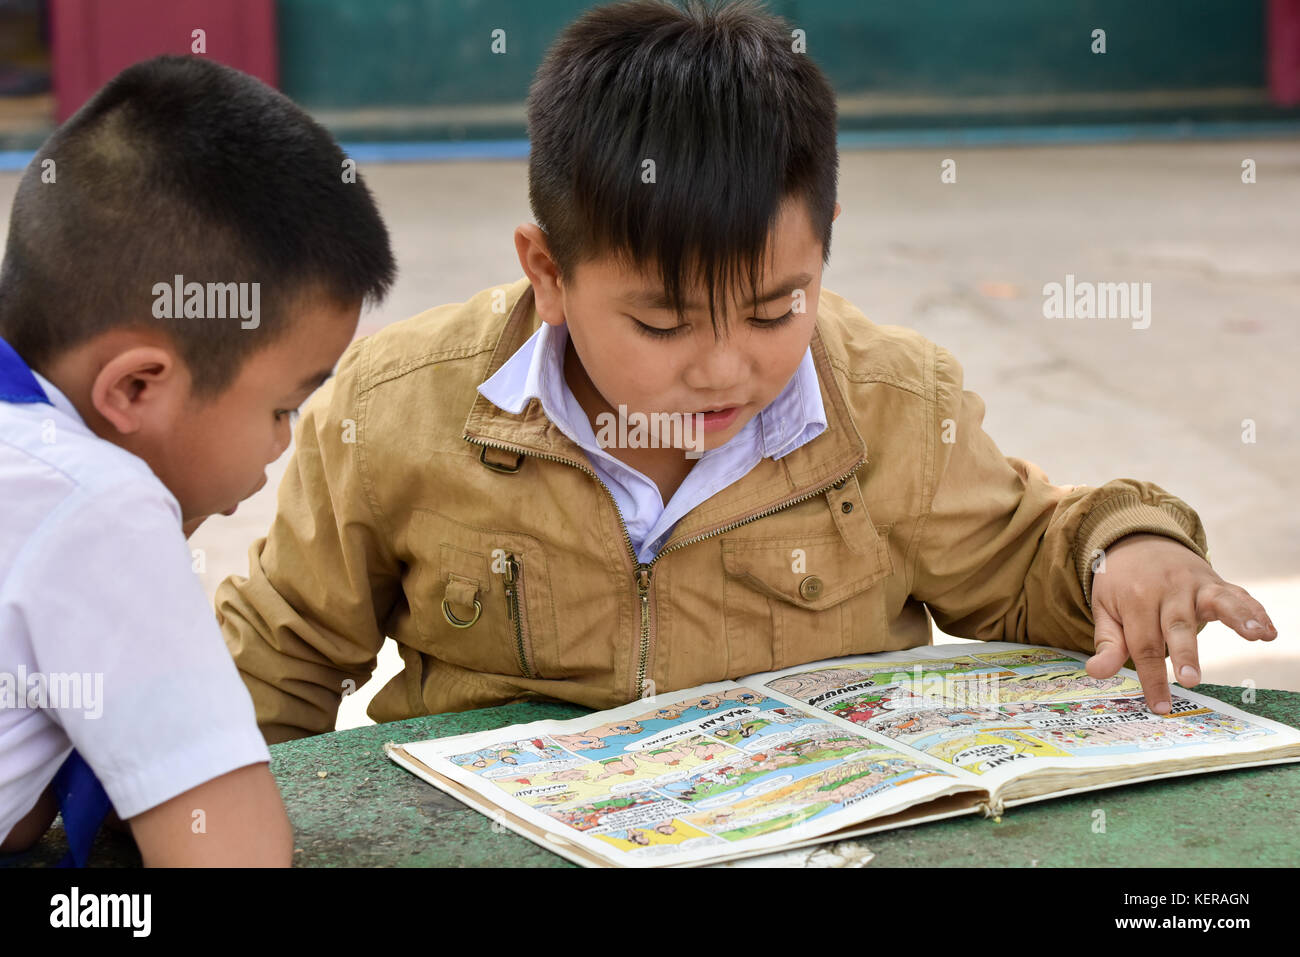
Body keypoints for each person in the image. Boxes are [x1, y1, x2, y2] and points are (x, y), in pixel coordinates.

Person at [216, 0, 1275, 746]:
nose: (726, 366)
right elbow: (283, 654)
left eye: (776, 308)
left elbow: (1026, 552)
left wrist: (1127, 547)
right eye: (661, 322)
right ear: (547, 271)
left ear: (825, 248)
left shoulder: (891, 402)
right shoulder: (398, 407)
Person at [0, 54, 395, 864]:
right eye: (282, 406)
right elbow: (232, 851)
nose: (287, 441)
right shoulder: (97, 508)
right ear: (139, 386)